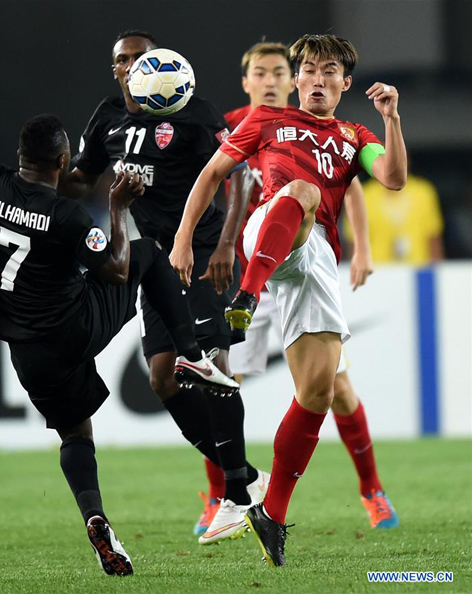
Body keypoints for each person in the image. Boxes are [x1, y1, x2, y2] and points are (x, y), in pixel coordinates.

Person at [0, 114, 240, 576]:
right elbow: (119, 270)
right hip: (75, 328)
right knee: (146, 253)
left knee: (75, 434)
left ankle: (96, 519)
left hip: (26, 348)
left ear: (20, 156)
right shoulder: (65, 214)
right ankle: (190, 355)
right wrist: (118, 207)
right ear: (64, 161)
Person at [170, 34, 407, 567]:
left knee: (319, 392)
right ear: (296, 79)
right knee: (299, 192)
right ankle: (246, 303)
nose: (317, 79)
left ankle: (270, 515)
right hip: (268, 233)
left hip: (314, 257)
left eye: (330, 72)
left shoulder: (354, 134)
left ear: (346, 84)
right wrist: (184, 238)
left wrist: (391, 119)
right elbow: (212, 174)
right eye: (309, 70)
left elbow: (392, 178)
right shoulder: (264, 121)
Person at [60, 30, 269, 545]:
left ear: (161, 63)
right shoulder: (108, 118)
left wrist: (225, 246)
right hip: (153, 261)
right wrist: (36, 180)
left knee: (213, 370)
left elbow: (239, 176)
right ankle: (243, 476)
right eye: (124, 60)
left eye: (142, 57)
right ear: (115, 70)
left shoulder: (194, 114)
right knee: (161, 379)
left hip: (200, 256)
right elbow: (81, 180)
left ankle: (237, 495)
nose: (133, 65)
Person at [344, 171, 444, 264]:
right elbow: (354, 243)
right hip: (377, 272)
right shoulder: (363, 195)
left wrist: (437, 274)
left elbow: (433, 238)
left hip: (418, 270)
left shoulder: (423, 192)